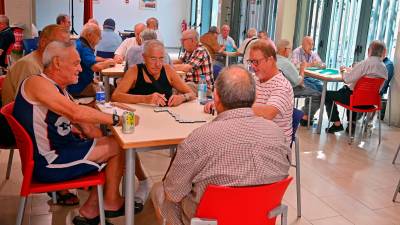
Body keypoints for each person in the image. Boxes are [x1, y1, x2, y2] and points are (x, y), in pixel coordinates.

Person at [151, 65, 291, 225]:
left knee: (159, 191)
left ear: (216, 97)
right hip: (260, 217)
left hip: (209, 220)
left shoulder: (198, 139)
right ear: (254, 97)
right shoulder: (278, 134)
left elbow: (172, 194)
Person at [13, 41, 135, 224]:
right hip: (49, 162)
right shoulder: (36, 83)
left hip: (61, 150)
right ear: (57, 62)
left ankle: (92, 210)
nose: (80, 68)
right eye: (76, 63)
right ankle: (109, 202)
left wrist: (104, 109)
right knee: (117, 146)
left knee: (114, 144)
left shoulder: (57, 88)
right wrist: (119, 119)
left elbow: (82, 120)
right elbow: (75, 113)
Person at [325, 40, 388, 134]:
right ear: (383, 52)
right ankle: (352, 123)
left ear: (369, 50)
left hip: (355, 100)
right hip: (370, 102)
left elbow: (347, 79)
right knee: (347, 91)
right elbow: (379, 88)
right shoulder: (384, 68)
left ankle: (337, 124)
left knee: (327, 94)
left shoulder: (365, 63)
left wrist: (343, 71)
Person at [112, 40, 195, 106]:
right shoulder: (134, 71)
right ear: (144, 57)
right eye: (153, 59)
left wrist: (182, 98)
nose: (158, 64)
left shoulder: (168, 70)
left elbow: (191, 93)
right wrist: (146, 99)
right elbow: (115, 96)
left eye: (161, 58)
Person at [249, 40, 294, 143]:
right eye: (251, 61)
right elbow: (237, 96)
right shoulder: (256, 79)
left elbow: (268, 112)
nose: (252, 66)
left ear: (270, 60)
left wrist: (234, 107)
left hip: (274, 145)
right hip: (257, 135)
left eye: (256, 62)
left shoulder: (282, 86)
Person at [276, 39, 321, 126]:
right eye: (289, 49)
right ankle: (304, 116)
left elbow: (321, 63)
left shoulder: (273, 60)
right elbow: (299, 81)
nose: (290, 51)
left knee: (314, 87)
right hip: (291, 89)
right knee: (318, 95)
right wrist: (302, 69)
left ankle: (305, 115)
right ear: (285, 49)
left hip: (279, 89)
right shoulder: (286, 63)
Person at [67, 23, 115, 97]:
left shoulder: (78, 43)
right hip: (80, 87)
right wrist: (109, 62)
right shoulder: (84, 48)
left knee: (102, 84)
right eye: (98, 36)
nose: (100, 38)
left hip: (73, 85)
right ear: (90, 35)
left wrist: (104, 60)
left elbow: (92, 58)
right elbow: (95, 67)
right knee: (111, 89)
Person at [173, 29, 213, 95]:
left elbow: (187, 67)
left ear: (192, 40)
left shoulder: (200, 50)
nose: (181, 42)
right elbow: (180, 61)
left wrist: (168, 67)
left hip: (203, 88)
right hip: (192, 84)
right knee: (174, 84)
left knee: (182, 87)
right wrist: (165, 61)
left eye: (183, 40)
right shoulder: (189, 50)